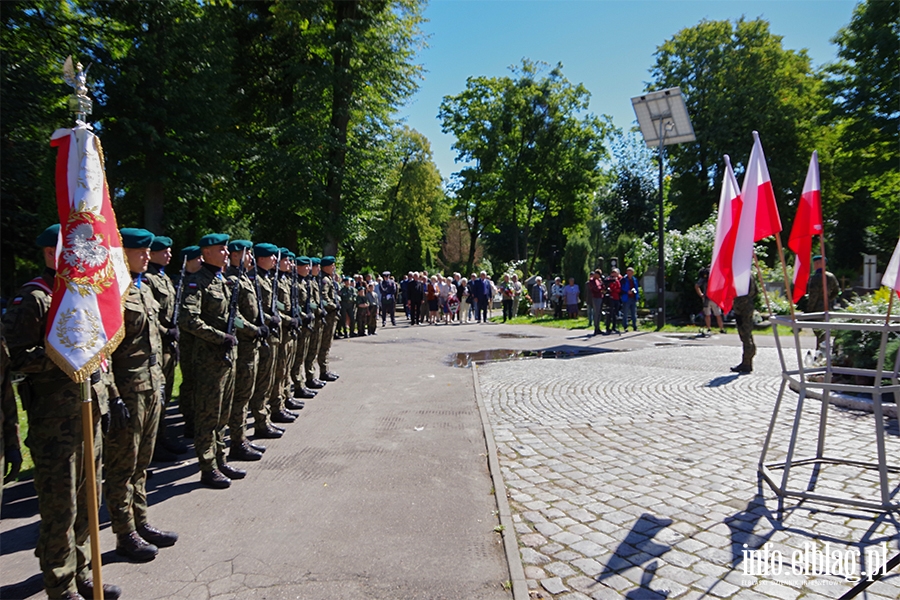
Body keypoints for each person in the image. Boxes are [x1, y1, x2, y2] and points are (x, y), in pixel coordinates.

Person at [2, 224, 122, 600]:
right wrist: (64, 357)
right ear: (49, 254)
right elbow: (17, 359)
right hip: (55, 422)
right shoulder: (35, 298)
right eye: (61, 249)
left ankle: (82, 569)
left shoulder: (83, 293)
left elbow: (102, 352)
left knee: (89, 501)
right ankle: (59, 581)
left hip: (90, 411)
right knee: (61, 508)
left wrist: (113, 395)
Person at [105, 228, 179, 563]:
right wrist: (113, 395)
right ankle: (125, 533)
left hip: (151, 384)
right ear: (124, 253)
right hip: (127, 389)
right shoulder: (112, 292)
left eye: (149, 251)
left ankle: (141, 521)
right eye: (141, 251)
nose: (147, 256)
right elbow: (103, 351)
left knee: (142, 464)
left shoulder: (143, 288)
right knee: (123, 466)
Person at [179, 233, 244, 489]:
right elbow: (189, 320)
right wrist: (220, 337)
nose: (226, 253)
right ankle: (207, 467)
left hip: (226, 358)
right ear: (205, 253)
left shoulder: (221, 280)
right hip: (208, 359)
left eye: (226, 249)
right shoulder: (197, 283)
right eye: (221, 249)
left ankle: (220, 458)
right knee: (208, 416)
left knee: (223, 414)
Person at [143, 235, 186, 462]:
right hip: (158, 345)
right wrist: (165, 331)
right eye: (164, 251)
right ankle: (154, 445)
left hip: (169, 346)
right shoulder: (147, 280)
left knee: (166, 395)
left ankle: (161, 437)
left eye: (170, 251)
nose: (169, 254)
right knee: (157, 397)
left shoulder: (164, 277)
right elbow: (150, 317)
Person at [224, 240, 268, 462]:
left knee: (246, 393)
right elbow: (235, 318)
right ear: (234, 256)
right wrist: (253, 329)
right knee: (240, 397)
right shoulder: (232, 280)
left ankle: (241, 438)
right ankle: (237, 442)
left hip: (251, 345)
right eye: (245, 253)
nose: (249, 256)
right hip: (242, 345)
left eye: (250, 253)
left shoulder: (244, 278)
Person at [248, 244, 286, 440]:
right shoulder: (254, 278)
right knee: (262, 382)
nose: (275, 260)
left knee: (271, 377)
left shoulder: (266, 278)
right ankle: (261, 422)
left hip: (272, 335)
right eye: (271, 257)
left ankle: (268, 417)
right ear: (261, 258)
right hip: (262, 337)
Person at [176, 245, 203, 438]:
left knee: (198, 382)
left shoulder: (197, 281)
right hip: (186, 341)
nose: (201, 261)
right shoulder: (180, 282)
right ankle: (189, 419)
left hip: (200, 341)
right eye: (198, 258)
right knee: (189, 382)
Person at [806, 255, 842, 349]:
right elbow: (837, 291)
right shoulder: (831, 276)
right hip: (827, 307)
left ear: (818, 263)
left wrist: (809, 310)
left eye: (815, 263)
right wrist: (828, 299)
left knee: (819, 332)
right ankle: (824, 352)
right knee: (825, 331)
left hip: (817, 309)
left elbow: (813, 296)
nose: (814, 265)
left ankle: (820, 353)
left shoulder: (816, 277)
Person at [316, 256, 340, 382]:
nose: (334, 267)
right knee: (324, 345)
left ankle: (325, 369)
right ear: (326, 267)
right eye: (332, 265)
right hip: (329, 315)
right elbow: (323, 297)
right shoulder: (324, 280)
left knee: (327, 344)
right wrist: (334, 305)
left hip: (332, 315)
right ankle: (323, 371)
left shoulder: (329, 278)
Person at [731, 275, 758, 373]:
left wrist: (741, 304)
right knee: (748, 334)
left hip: (742, 309)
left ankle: (746, 363)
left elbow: (737, 292)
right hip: (748, 306)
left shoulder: (742, 275)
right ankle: (747, 362)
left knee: (745, 336)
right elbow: (755, 291)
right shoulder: (750, 275)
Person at [695, 267, 725, 335]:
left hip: (706, 298)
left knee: (707, 314)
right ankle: (721, 328)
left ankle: (709, 328)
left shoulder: (704, 277)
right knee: (718, 314)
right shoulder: (716, 276)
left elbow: (697, 285)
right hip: (714, 298)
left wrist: (701, 295)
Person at [620, 267, 640, 332]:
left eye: (631, 272)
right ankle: (625, 326)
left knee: (634, 313)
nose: (629, 274)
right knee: (625, 313)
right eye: (628, 272)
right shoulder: (623, 280)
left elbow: (637, 288)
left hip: (633, 298)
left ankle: (635, 326)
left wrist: (637, 296)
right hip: (626, 298)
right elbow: (621, 288)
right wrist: (627, 291)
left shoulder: (635, 280)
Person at [604, 268, 622, 334]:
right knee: (609, 313)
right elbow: (608, 288)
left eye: (615, 273)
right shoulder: (609, 280)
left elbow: (619, 289)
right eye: (613, 273)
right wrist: (612, 289)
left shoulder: (617, 281)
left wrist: (614, 289)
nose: (614, 274)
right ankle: (607, 327)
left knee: (615, 313)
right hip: (610, 298)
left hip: (616, 298)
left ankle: (614, 327)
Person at [588, 270, 604, 335]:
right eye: (598, 274)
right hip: (595, 297)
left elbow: (603, 287)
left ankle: (598, 327)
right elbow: (595, 289)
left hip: (600, 297)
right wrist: (600, 288)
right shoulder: (591, 280)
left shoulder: (599, 280)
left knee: (599, 313)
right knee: (596, 312)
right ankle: (596, 328)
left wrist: (602, 285)